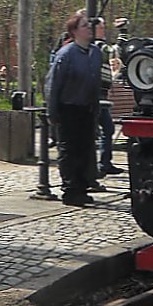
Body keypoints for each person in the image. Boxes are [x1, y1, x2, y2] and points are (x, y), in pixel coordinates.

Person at [47, 12, 104, 206]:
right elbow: (53, 84)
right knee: (69, 151)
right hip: (68, 108)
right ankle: (70, 190)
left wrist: (96, 108)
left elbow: (97, 83)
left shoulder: (95, 53)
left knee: (85, 149)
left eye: (89, 25)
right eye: (84, 26)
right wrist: (52, 112)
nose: (89, 28)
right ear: (74, 31)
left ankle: (82, 187)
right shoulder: (66, 55)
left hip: (87, 108)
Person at [94, 17, 124, 176]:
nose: (103, 30)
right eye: (100, 27)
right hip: (97, 95)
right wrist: (123, 32)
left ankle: (105, 163)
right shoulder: (97, 46)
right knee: (106, 128)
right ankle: (102, 165)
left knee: (107, 128)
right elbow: (115, 51)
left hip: (101, 95)